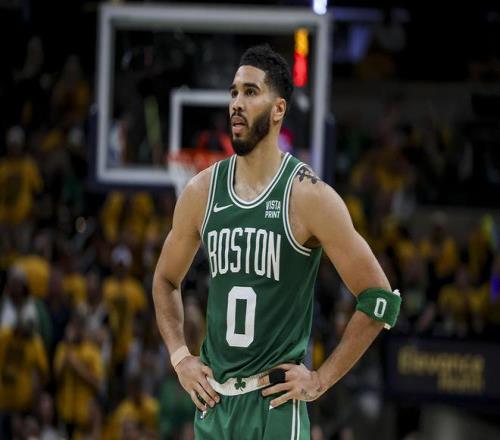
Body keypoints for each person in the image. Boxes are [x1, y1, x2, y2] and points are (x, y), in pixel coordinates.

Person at [152, 45, 401, 439]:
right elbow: (165, 280)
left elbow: (380, 300)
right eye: (234, 92)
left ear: (278, 109)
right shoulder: (201, 192)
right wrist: (181, 357)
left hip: (274, 408)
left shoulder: (309, 196)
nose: (237, 103)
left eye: (250, 92)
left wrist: (320, 380)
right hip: (213, 406)